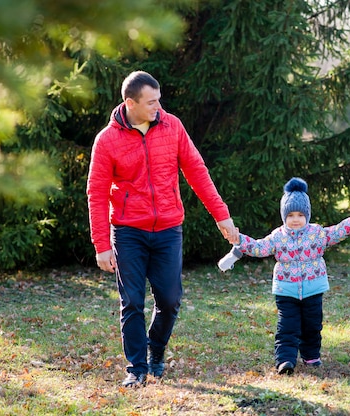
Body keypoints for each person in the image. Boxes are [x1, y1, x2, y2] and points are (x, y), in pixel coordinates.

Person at [86, 71, 239, 387]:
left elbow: (197, 171)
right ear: (131, 103)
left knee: (169, 300)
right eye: (151, 102)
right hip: (128, 231)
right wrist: (101, 243)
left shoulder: (173, 127)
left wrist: (221, 215)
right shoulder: (107, 140)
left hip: (169, 228)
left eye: (159, 100)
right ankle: (136, 368)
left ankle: (155, 350)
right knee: (131, 302)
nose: (158, 106)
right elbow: (97, 192)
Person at [221, 177, 350, 375]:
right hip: (286, 290)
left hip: (313, 288)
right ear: (284, 216)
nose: (295, 219)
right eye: (290, 215)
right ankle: (285, 360)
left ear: (307, 214)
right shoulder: (278, 236)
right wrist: (239, 240)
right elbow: (259, 247)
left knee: (312, 325)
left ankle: (311, 355)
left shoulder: (317, 233)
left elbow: (337, 231)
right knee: (287, 327)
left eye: (300, 214)